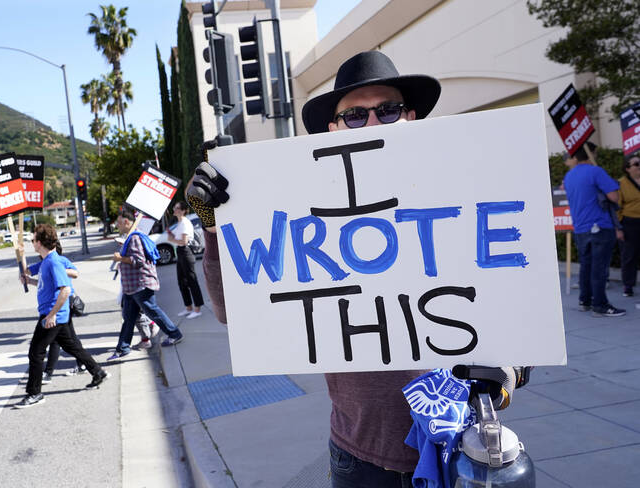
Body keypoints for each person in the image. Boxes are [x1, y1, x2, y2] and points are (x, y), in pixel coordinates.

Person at [186, 51, 530, 487]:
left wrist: (511, 372)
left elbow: (518, 304)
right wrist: (216, 226)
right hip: (358, 458)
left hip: (460, 445)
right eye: (354, 116)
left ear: (410, 117)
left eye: (387, 111)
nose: (372, 124)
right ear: (332, 129)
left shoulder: (465, 189)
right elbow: (231, 309)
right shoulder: (305, 209)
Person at [16, 224, 109, 408]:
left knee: (35, 353)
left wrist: (51, 315)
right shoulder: (45, 262)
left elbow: (65, 290)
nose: (32, 243)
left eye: (33, 240)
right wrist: (29, 278)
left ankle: (34, 393)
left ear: (40, 242)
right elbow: (39, 281)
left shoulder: (53, 262)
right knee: (73, 347)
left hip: (53, 315)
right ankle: (97, 372)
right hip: (55, 315)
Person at [109, 207, 183, 361]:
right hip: (132, 287)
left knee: (152, 312)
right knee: (129, 317)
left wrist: (120, 258)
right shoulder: (130, 237)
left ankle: (175, 334)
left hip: (140, 284)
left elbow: (139, 261)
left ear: (127, 222)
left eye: (119, 223)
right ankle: (122, 348)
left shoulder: (134, 238)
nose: (117, 226)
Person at [563, 142, 625, 316]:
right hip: (600, 225)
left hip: (581, 227)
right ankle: (600, 304)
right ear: (591, 154)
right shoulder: (596, 171)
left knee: (586, 265)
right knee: (599, 267)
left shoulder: (569, 176)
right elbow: (614, 197)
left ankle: (586, 300)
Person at [167, 201, 204, 319]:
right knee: (182, 282)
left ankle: (197, 309)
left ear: (183, 211)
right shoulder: (179, 223)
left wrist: (172, 239)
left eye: (177, 208)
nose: (174, 209)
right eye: (174, 207)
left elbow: (184, 241)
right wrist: (172, 237)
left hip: (186, 252)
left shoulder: (185, 223)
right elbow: (176, 239)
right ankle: (188, 307)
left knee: (192, 281)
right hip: (180, 252)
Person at [617, 150, 640, 298]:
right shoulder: (621, 183)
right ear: (627, 168)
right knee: (629, 255)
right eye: (636, 164)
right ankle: (628, 285)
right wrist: (618, 228)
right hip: (630, 222)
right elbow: (617, 207)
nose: (639, 166)